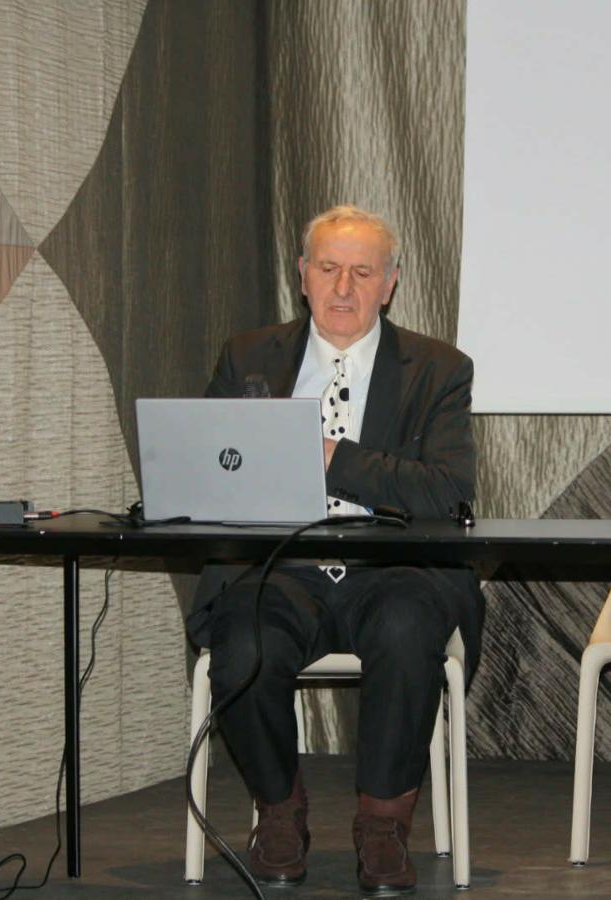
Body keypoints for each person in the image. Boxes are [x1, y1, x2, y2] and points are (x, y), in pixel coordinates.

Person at [185, 205, 484, 895]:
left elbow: (447, 492)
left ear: (390, 283)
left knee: (407, 628)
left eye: (362, 272)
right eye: (328, 268)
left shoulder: (438, 369)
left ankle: (383, 826)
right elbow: (206, 468)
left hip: (395, 566)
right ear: (302, 275)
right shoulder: (249, 357)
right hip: (283, 565)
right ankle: (278, 810)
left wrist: (328, 456)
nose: (343, 288)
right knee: (245, 638)